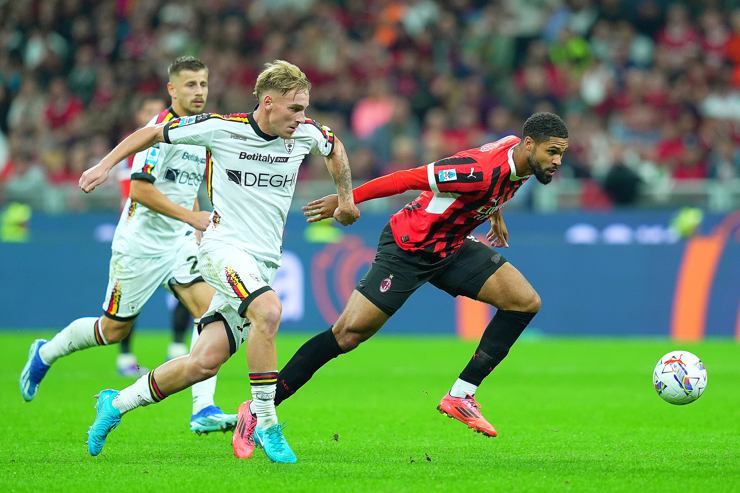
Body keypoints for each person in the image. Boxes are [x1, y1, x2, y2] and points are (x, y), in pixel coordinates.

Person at [233, 112, 568, 452]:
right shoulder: (477, 173)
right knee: (346, 335)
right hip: (409, 247)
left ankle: (461, 395)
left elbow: (496, 182)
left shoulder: (519, 157)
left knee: (524, 302)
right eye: (552, 152)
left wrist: (494, 213)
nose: (557, 161)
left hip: (450, 247)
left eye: (561, 154)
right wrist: (347, 200)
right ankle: (258, 410)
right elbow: (406, 178)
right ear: (529, 144)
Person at [77, 60, 359, 463]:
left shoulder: (307, 133)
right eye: (294, 109)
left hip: (262, 262)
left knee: (203, 363)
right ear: (267, 102)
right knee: (268, 310)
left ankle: (115, 404)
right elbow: (154, 131)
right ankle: (266, 423)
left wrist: (345, 200)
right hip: (221, 250)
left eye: (305, 108)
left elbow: (334, 148)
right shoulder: (223, 129)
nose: (302, 118)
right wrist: (105, 165)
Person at [19, 56, 237, 435]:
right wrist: (191, 218)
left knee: (211, 313)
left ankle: (203, 409)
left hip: (181, 242)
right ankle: (45, 352)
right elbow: (139, 190)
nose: (199, 92)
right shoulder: (158, 131)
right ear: (172, 89)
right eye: (190, 85)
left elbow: (188, 187)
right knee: (112, 331)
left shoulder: (201, 131)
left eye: (203, 84)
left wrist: (197, 222)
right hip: (141, 245)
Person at [115, 95, 195, 374]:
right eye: (148, 111)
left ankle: (177, 347)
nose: (156, 115)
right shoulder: (136, 152)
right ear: (139, 117)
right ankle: (125, 356)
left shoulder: (181, 142)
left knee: (192, 288)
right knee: (129, 303)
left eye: (156, 110)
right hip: (142, 235)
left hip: (176, 233)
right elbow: (134, 193)